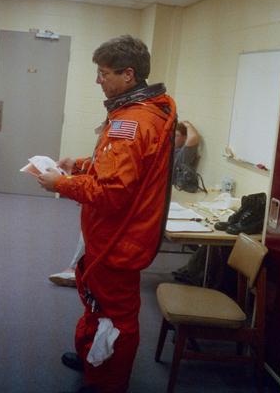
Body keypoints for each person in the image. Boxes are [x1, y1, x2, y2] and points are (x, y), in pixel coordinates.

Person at [33, 36, 177, 393]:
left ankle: (107, 383)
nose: (98, 80)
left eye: (103, 73)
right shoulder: (139, 113)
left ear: (128, 75)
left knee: (117, 318)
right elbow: (122, 172)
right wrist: (80, 165)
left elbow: (112, 193)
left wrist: (60, 184)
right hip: (114, 235)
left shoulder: (131, 123)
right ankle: (89, 358)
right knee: (98, 304)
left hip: (119, 239)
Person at [172, 121, 203, 193]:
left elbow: (194, 137)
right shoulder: (172, 148)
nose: (173, 137)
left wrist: (188, 125)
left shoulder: (183, 153)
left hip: (176, 189)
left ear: (185, 138)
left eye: (177, 135)